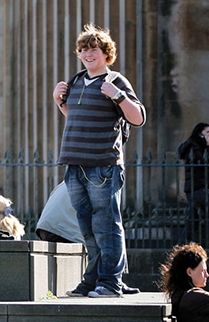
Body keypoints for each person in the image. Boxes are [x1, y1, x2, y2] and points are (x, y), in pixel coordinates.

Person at [53, 23, 146, 298]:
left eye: (93, 50)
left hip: (103, 166)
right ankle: (92, 281)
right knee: (88, 229)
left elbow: (138, 118)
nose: (87, 55)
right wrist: (59, 101)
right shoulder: (77, 80)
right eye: (83, 50)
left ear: (106, 53)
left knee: (106, 226)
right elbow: (76, 117)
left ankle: (110, 283)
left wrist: (117, 96)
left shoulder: (116, 81)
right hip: (74, 164)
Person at [160, 243, 209, 321]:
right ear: (189, 272)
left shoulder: (178, 294)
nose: (207, 275)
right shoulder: (195, 297)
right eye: (203, 271)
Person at [180, 122, 209, 244]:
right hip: (196, 188)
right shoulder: (194, 146)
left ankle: (184, 244)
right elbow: (200, 164)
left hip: (199, 188)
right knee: (194, 219)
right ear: (200, 134)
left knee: (193, 220)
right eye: (207, 132)